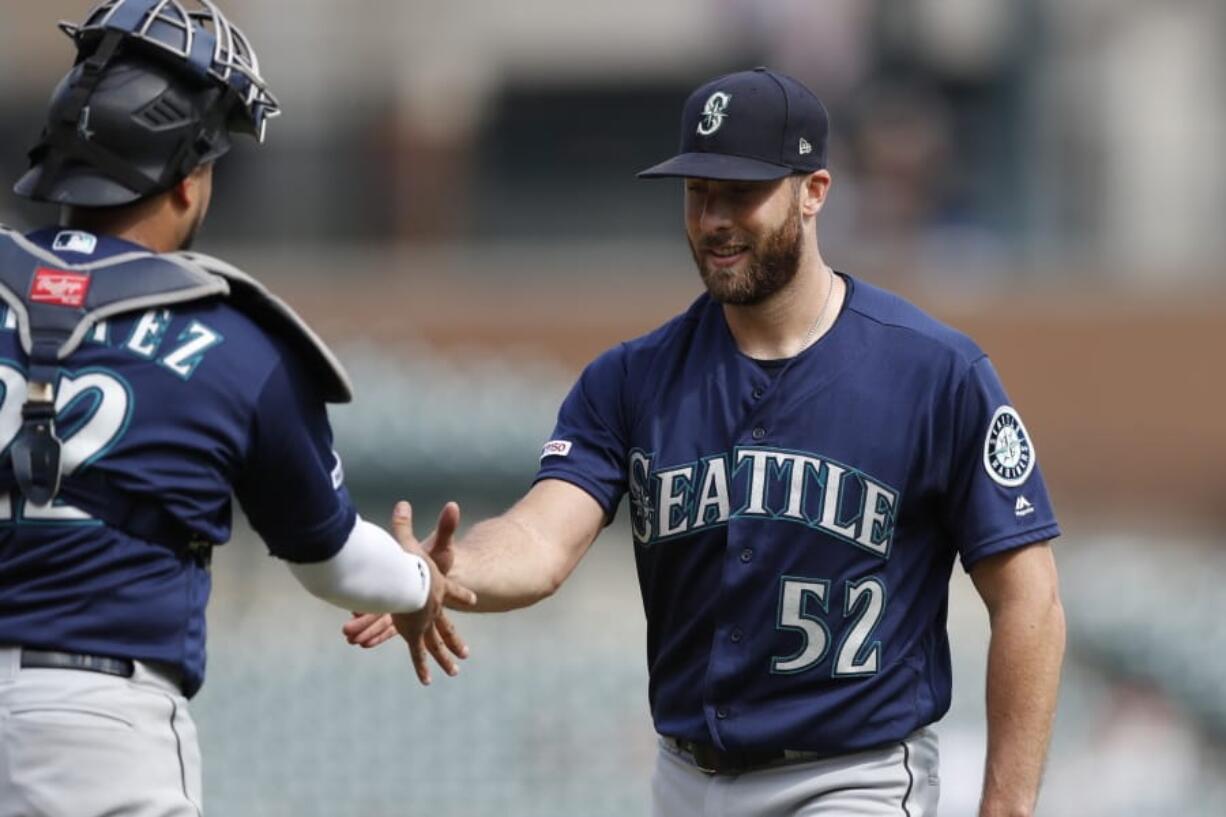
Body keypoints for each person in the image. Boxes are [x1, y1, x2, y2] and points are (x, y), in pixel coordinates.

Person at [350, 67, 1065, 817]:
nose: (715, 218)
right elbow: (539, 538)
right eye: (698, 193)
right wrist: (443, 568)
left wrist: (1007, 807)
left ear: (814, 190)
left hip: (851, 778)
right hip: (686, 781)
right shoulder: (631, 378)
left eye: (740, 191)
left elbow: (1030, 597)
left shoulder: (934, 373)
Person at [0, 2, 472, 815]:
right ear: (188, 177)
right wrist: (417, 579)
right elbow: (335, 562)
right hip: (99, 733)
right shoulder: (236, 339)